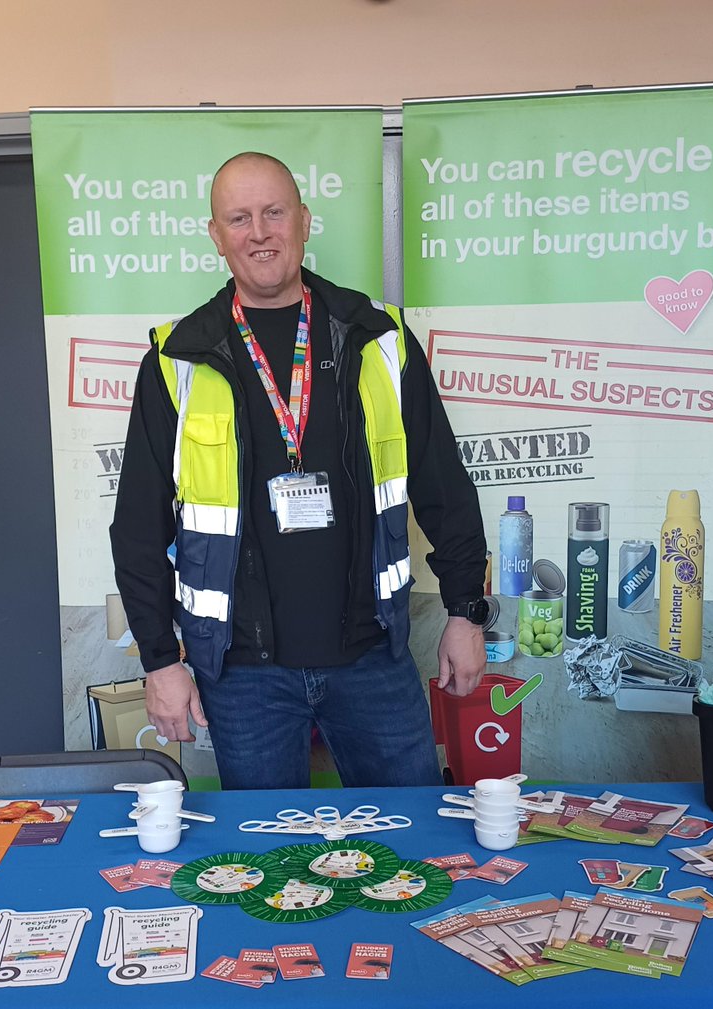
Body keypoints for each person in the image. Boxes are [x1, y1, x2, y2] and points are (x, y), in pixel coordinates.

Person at [111, 151, 489, 789]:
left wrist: (465, 612)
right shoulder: (178, 359)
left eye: (273, 212)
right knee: (266, 859)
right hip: (243, 676)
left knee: (413, 844)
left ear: (305, 221)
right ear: (216, 236)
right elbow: (138, 530)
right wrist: (159, 660)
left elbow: (443, 487)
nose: (258, 232)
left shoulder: (379, 338)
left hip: (374, 659)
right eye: (239, 218)